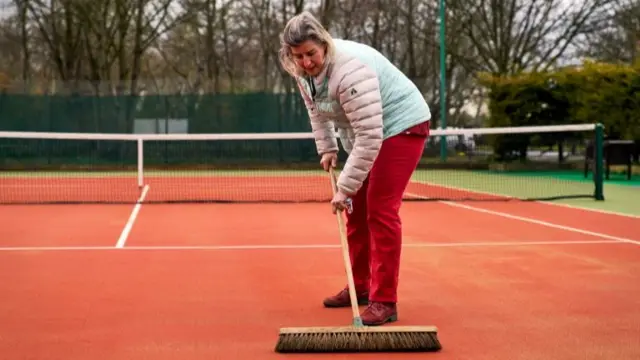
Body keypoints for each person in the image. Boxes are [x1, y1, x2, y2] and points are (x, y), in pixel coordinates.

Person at [278, 11, 431, 326]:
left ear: (324, 44)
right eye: (298, 56)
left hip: (400, 126)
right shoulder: (302, 71)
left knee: (380, 210)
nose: (306, 62)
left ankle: (384, 300)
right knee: (355, 212)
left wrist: (344, 188)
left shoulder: (350, 71)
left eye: (311, 54)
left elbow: (370, 136)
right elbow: (316, 109)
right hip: (366, 132)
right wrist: (328, 148)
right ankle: (360, 286)